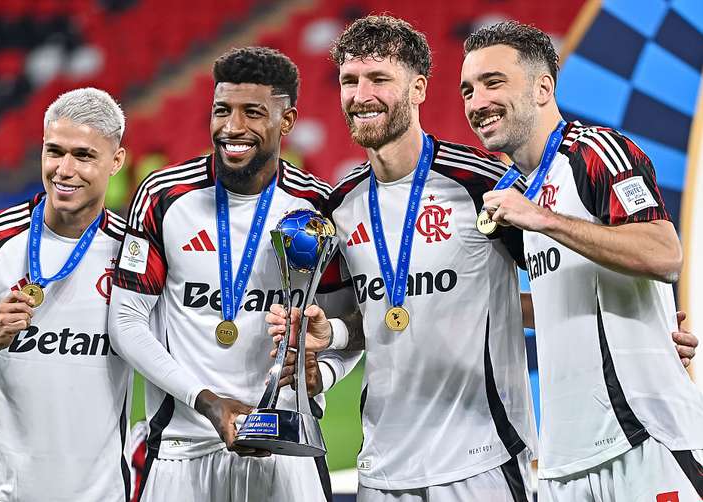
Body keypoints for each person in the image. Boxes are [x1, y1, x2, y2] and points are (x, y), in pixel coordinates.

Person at [270, 15, 537, 501]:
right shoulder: (340, 207)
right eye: (349, 81)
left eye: (378, 79)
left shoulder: (480, 185)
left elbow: (558, 278)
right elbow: (349, 330)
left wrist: (643, 328)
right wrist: (321, 367)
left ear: (418, 88)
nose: (360, 94)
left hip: (483, 464)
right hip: (382, 471)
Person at [461, 21, 703, 500]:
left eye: (493, 83)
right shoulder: (512, 194)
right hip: (563, 459)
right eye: (468, 90)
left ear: (543, 87)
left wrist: (543, 219)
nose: (476, 102)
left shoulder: (595, 153)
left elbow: (663, 253)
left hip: (643, 438)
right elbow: (557, 297)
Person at [109, 47, 358, 502]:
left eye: (252, 112)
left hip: (286, 451)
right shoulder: (163, 197)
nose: (232, 128)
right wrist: (206, 401)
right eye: (222, 110)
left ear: (287, 121)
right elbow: (125, 323)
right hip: (181, 450)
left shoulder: (318, 207)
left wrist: (321, 373)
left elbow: (349, 326)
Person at [0, 88, 132, 501]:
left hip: (103, 494)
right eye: (54, 151)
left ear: (116, 161)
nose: (64, 169)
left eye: (84, 155)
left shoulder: (135, 252)